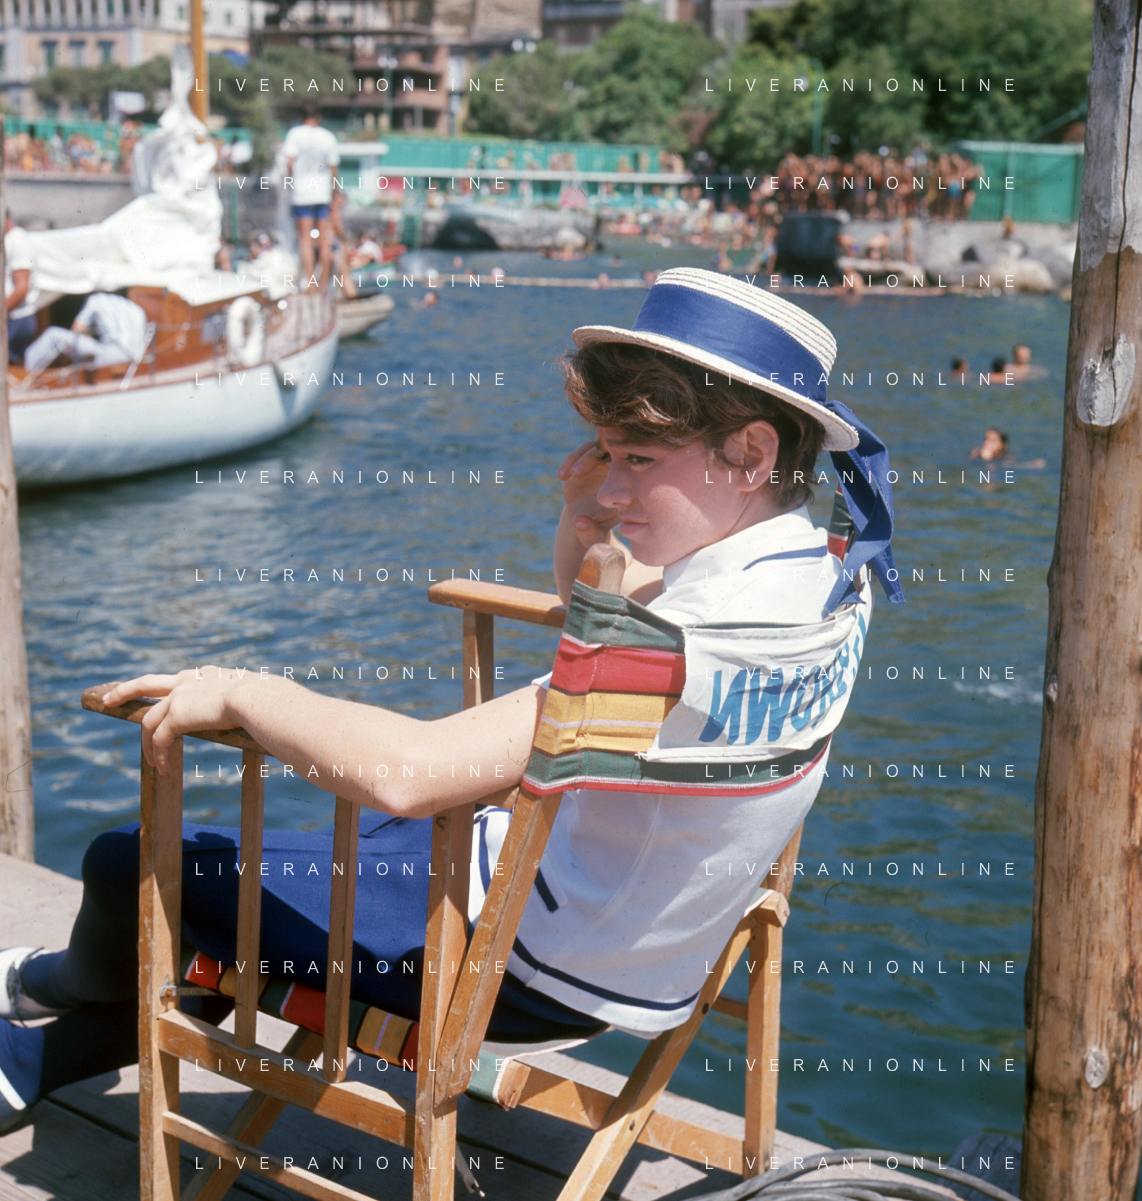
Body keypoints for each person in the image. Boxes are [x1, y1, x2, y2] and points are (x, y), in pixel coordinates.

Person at [0, 269, 900, 1130]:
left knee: (130, 859)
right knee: (255, 885)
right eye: (608, 454)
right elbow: (597, 633)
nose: (613, 482)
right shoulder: (824, 576)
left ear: (752, 452)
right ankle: (35, 1057)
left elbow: (411, 773)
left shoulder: (678, 646)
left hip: (509, 968)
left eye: (638, 458)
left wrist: (241, 685)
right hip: (642, 953)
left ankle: (62, 983)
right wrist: (587, 518)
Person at [281, 104, 340, 291]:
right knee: (324, 239)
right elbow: (333, 169)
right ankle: (323, 284)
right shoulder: (328, 137)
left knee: (305, 239)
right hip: (322, 192)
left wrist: (292, 179)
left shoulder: (294, 134)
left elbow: (289, 162)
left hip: (302, 192)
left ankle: (310, 285)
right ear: (319, 116)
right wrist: (334, 192)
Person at [23, 291, 148, 373]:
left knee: (53, 334)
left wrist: (87, 339)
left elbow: (77, 330)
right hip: (136, 363)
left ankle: (25, 374)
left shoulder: (97, 299)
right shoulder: (137, 309)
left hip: (110, 357)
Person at [5, 214, 39, 364]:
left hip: (16, 318)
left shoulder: (17, 240)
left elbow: (22, 288)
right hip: (9, 317)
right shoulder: (8, 239)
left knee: (12, 370)